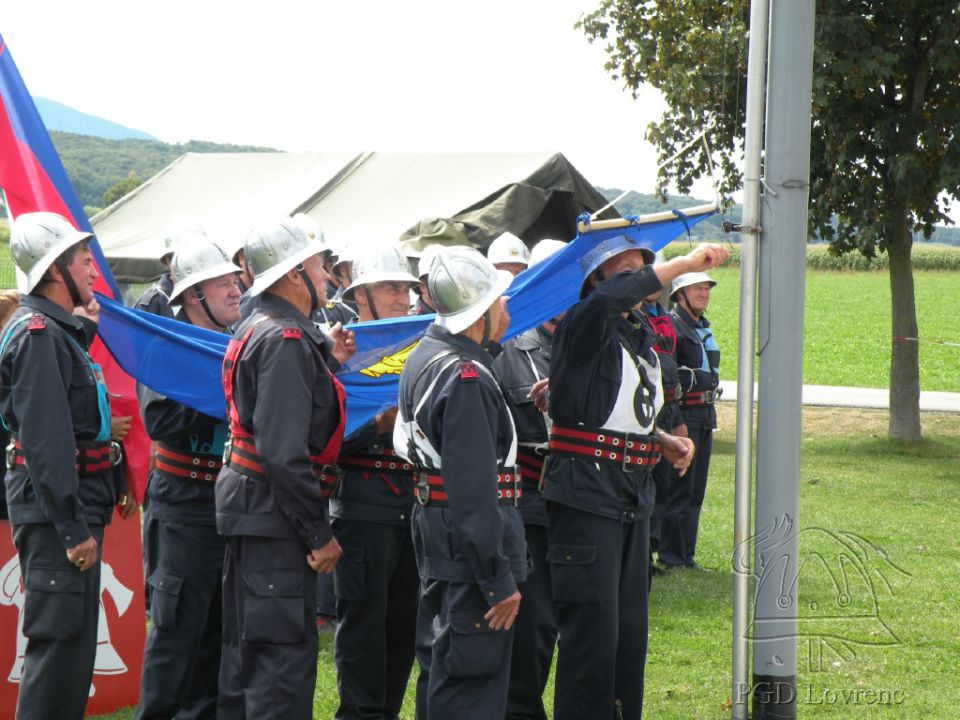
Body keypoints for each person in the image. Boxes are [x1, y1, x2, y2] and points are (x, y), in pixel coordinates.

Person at [543, 237, 727, 719]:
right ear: (595, 281)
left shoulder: (640, 334)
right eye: (622, 272)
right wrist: (684, 264)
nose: (635, 280)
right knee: (592, 639)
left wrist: (663, 440)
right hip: (586, 497)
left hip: (631, 496)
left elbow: (622, 413)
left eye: (638, 269)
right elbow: (607, 302)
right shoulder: (584, 322)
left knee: (628, 637)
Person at [216, 216, 350, 719]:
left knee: (247, 662)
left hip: (255, 511)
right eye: (318, 265)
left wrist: (328, 361)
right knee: (279, 670)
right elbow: (283, 452)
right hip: (273, 517)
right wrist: (318, 533)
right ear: (293, 274)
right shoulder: (286, 341)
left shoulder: (262, 328)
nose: (326, 276)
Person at [0, 212, 131, 720]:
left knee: (73, 653)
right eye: (82, 259)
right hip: (59, 518)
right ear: (56, 270)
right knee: (58, 656)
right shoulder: (37, 336)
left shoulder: (56, 334)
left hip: (68, 510)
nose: (92, 269)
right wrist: (73, 528)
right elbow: (48, 442)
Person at [395, 246, 524, 720]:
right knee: (469, 688)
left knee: (444, 673)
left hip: (442, 543)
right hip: (470, 555)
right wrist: (497, 578)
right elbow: (473, 492)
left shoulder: (428, 355)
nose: (506, 307)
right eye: (499, 300)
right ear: (479, 312)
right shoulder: (464, 376)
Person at [134, 239, 242, 719]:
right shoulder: (167, 344)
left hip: (228, 502)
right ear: (194, 294)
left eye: (234, 279)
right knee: (176, 636)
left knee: (220, 635)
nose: (235, 288)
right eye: (222, 283)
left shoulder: (242, 341)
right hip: (182, 506)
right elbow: (161, 421)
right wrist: (227, 388)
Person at [330, 241, 421, 720]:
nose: (402, 297)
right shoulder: (338, 352)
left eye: (406, 287)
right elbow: (318, 437)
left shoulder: (422, 344)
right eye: (390, 287)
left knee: (404, 626)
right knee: (364, 627)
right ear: (360, 295)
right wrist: (375, 429)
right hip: (362, 504)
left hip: (415, 502)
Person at [490, 238, 565, 720]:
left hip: (581, 510)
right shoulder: (508, 351)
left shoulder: (591, 346)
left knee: (568, 625)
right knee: (533, 627)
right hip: (530, 511)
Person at [659, 272, 721, 570]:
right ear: (680, 293)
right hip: (685, 416)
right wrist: (675, 421)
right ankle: (671, 555)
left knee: (696, 489)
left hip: (705, 415)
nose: (704, 293)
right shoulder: (672, 326)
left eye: (706, 288)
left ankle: (687, 555)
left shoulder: (699, 327)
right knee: (679, 488)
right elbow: (668, 376)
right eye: (697, 288)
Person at [637, 275, 686, 578]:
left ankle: (652, 551)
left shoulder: (664, 317)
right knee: (648, 481)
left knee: (663, 487)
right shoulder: (636, 317)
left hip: (667, 405)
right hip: (646, 407)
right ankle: (643, 554)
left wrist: (677, 417)